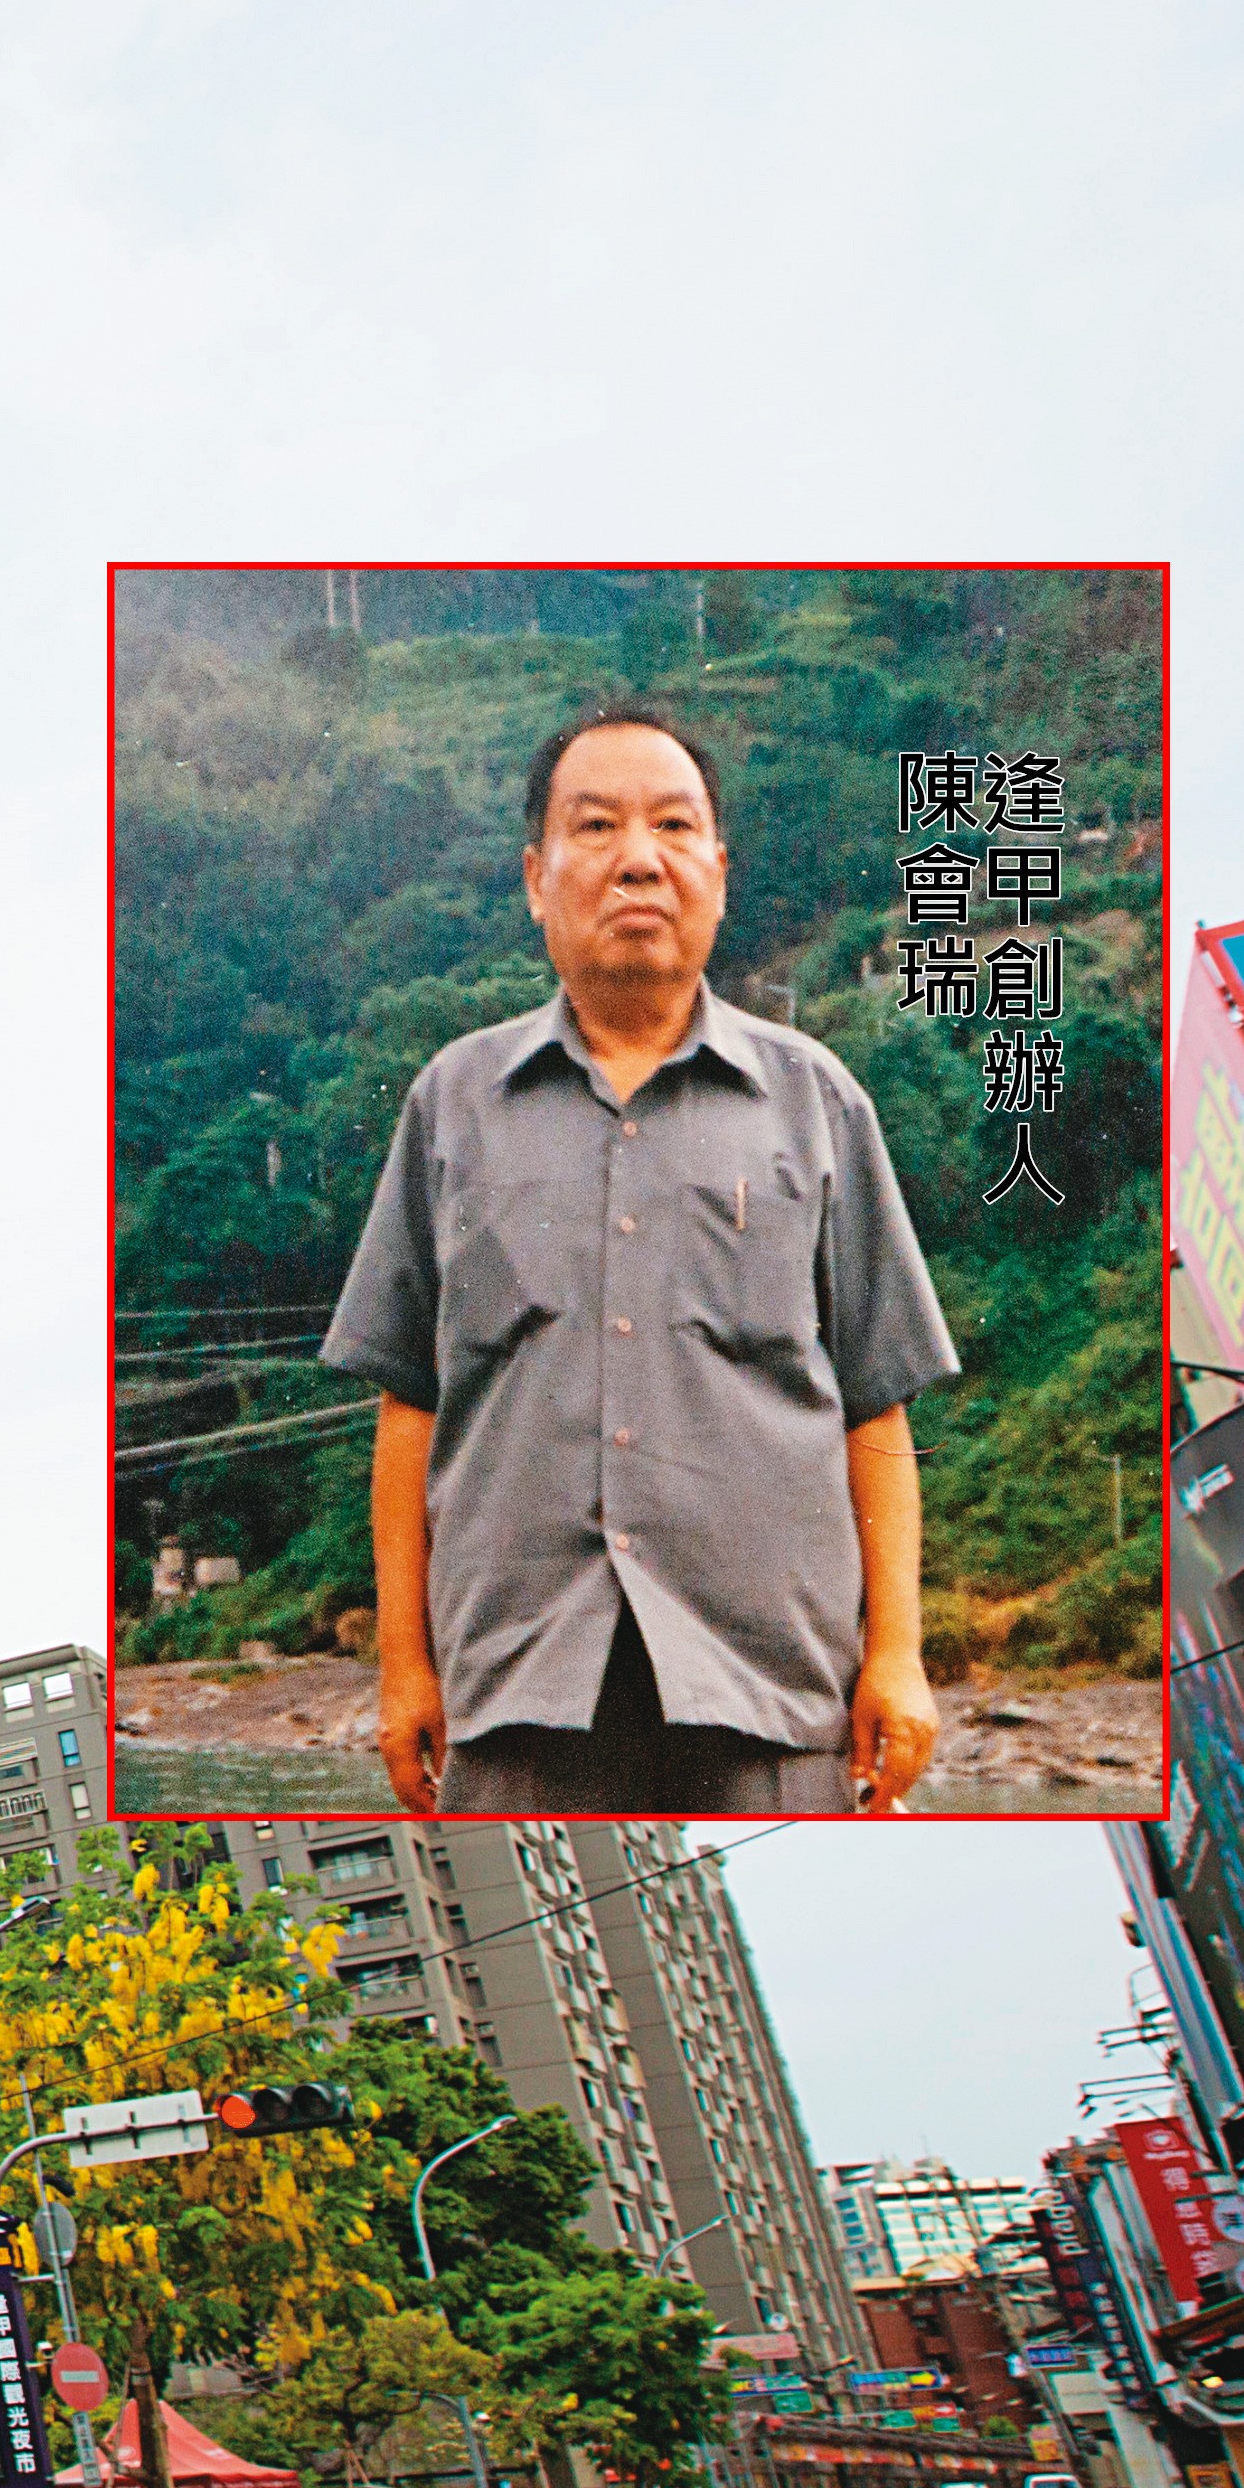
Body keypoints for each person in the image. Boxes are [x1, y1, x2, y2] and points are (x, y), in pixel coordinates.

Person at [322, 704, 961, 1818]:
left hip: (773, 1684)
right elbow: (410, 1410)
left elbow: (875, 1411)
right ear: (536, 875)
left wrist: (896, 1657)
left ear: (718, 867)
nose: (638, 861)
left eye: (673, 826)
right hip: (517, 1685)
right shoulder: (451, 1105)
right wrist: (403, 1665)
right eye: (597, 826)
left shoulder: (816, 1103)